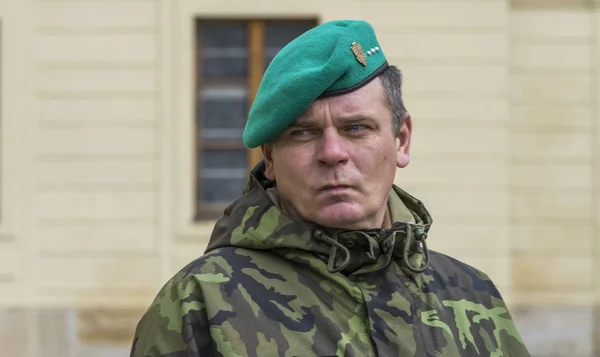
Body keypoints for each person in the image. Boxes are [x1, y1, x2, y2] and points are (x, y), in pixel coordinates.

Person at [130, 19, 530, 357]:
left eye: (357, 128)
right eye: (303, 133)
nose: (333, 153)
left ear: (401, 140)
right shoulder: (201, 303)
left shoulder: (473, 296)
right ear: (269, 158)